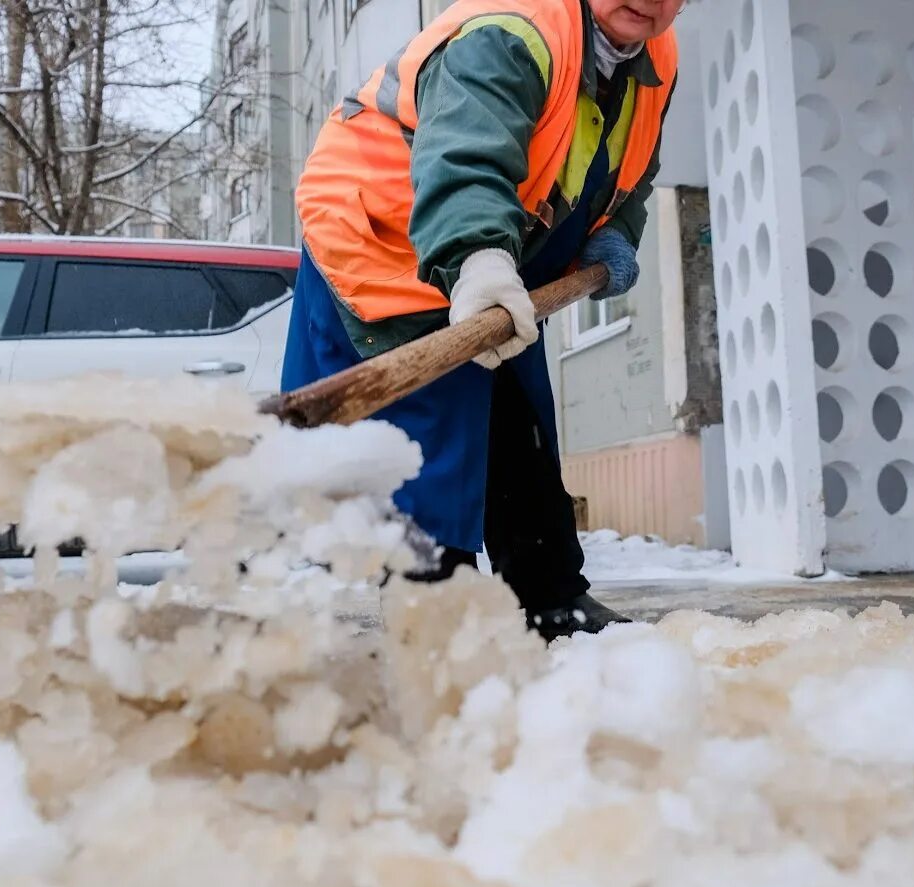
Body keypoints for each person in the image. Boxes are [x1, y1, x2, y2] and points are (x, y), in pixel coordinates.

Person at [283, 0, 683, 641]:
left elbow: (630, 168)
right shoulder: (509, 33)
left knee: (515, 417)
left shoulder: (651, 56)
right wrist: (478, 261)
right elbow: (466, 160)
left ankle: (550, 596)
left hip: (497, 256)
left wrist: (613, 233)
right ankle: (435, 616)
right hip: (387, 236)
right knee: (429, 439)